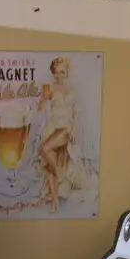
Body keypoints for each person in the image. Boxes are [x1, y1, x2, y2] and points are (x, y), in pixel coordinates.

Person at [36, 56, 81, 215]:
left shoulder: (72, 90)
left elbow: (74, 113)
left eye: (62, 72)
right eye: (56, 73)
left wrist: (74, 130)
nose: (59, 76)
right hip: (52, 127)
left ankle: (59, 175)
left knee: (45, 148)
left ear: (67, 72)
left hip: (66, 128)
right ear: (53, 73)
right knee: (49, 159)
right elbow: (40, 109)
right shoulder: (49, 87)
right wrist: (42, 98)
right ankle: (54, 199)